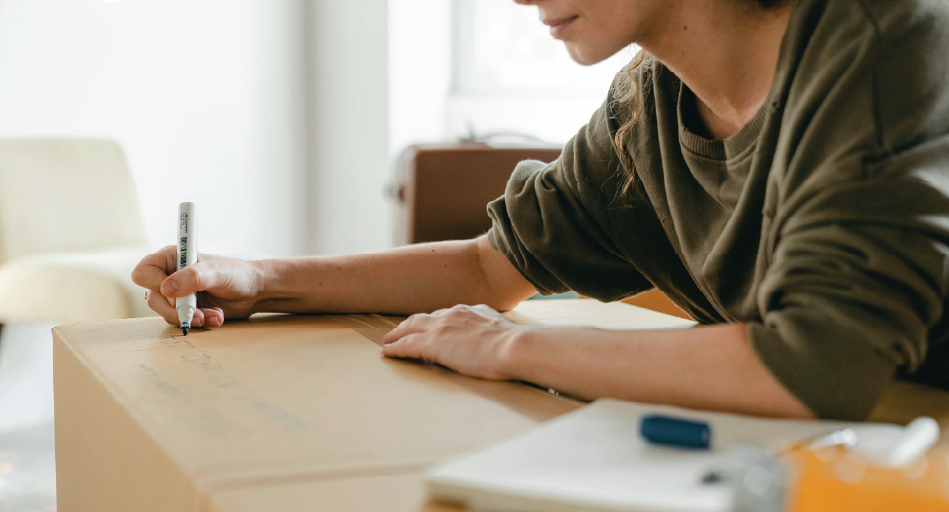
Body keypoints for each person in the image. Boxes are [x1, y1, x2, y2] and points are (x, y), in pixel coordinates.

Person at [133, 0, 949, 421]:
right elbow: (491, 266)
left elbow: (808, 367)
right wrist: (261, 279)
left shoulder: (886, 41)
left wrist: (508, 348)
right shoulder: (646, 104)